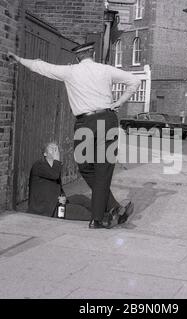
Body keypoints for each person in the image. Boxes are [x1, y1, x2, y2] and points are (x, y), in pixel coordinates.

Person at [9, 43, 138, 229]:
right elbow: (134, 81)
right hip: (107, 120)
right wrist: (119, 102)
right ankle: (108, 211)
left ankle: (101, 216)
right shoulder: (106, 70)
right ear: (92, 53)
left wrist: (20, 60)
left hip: (84, 123)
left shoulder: (70, 71)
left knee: (85, 167)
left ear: (77, 57)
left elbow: (43, 67)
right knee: (103, 169)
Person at [28, 142, 129, 226]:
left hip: (55, 203)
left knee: (81, 198)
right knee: (80, 211)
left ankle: (109, 211)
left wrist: (62, 197)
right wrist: (57, 159)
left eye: (56, 148)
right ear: (45, 154)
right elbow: (54, 175)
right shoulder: (39, 165)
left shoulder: (54, 166)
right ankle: (108, 218)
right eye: (51, 148)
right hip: (46, 209)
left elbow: (58, 187)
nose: (55, 150)